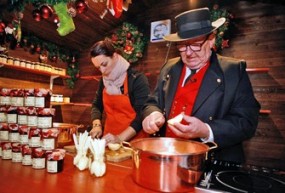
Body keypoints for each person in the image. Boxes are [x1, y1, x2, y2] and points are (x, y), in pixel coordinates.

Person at [142, 7, 260, 163]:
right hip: (167, 158)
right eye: (182, 46)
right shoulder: (169, 67)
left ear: (211, 40)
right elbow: (153, 102)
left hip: (209, 162)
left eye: (196, 44)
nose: (189, 53)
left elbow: (247, 122)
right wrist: (152, 114)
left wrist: (206, 130)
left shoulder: (233, 71)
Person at [89, 38, 150, 144]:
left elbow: (142, 115)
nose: (103, 71)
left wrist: (120, 138)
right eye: (98, 68)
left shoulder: (137, 79)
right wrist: (97, 125)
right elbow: (96, 105)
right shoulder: (104, 81)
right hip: (109, 140)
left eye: (104, 64)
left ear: (115, 56)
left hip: (134, 142)